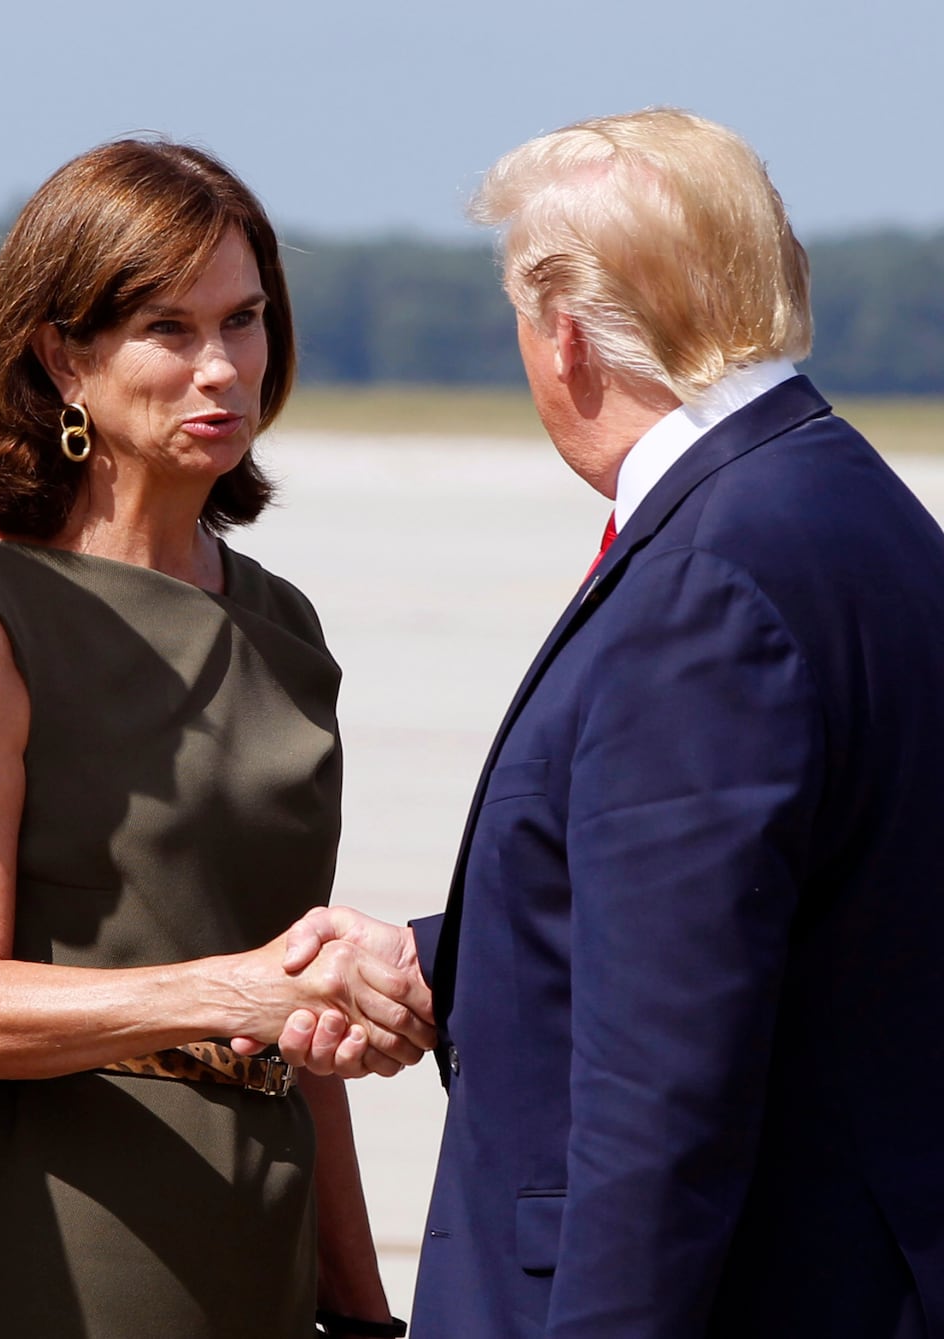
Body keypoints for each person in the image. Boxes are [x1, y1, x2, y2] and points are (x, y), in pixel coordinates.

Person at [275, 108, 944, 1336]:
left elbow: (664, 1092)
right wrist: (449, 957)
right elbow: (748, 914)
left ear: (566, 337)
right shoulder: (849, 506)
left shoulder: (714, 577)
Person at [0, 138, 429, 1338]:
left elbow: (301, 1004)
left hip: (265, 1228)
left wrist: (364, 1308)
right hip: (59, 1242)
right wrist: (232, 990)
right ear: (61, 354)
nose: (221, 367)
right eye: (169, 331)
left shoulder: (284, 622)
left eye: (244, 321)